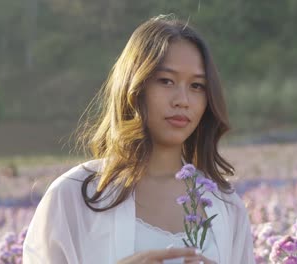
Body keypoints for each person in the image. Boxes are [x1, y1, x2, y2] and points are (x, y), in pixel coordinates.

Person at [23, 14, 255, 264]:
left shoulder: (226, 205)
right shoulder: (73, 196)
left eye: (197, 86)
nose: (182, 100)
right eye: (166, 81)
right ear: (134, 87)